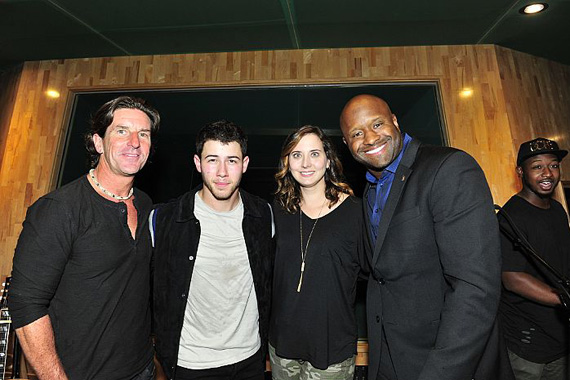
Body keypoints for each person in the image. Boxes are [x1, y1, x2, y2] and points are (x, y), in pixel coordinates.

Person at [339, 94, 504, 380]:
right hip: (390, 360)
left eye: (377, 124)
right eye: (356, 133)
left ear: (395, 121)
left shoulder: (449, 167)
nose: (369, 138)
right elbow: (381, 272)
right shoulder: (369, 191)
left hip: (445, 363)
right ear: (346, 144)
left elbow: (475, 288)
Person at [9, 96, 160, 380]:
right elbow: (25, 303)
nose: (135, 142)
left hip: (141, 369)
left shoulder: (144, 203)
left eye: (144, 134)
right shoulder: (59, 209)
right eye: (122, 131)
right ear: (98, 142)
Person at [151, 120, 274, 380]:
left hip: (249, 361)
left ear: (245, 164)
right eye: (212, 160)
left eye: (231, 160)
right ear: (197, 164)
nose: (221, 172)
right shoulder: (165, 220)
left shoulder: (264, 216)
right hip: (189, 364)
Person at [269, 126, 365, 379]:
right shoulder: (276, 212)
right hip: (282, 345)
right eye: (296, 155)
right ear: (287, 162)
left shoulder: (357, 212)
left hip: (332, 348)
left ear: (328, 159)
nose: (305, 163)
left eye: (314, 153)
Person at [498, 137, 570, 380]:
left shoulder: (558, 210)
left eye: (553, 165)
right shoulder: (511, 217)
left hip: (559, 338)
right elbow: (512, 278)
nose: (547, 173)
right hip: (527, 344)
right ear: (521, 172)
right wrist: (564, 299)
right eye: (537, 167)